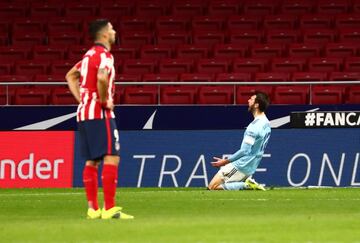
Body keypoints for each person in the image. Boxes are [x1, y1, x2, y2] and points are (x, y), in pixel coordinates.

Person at [66, 19, 133, 219]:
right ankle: (110, 208)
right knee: (112, 156)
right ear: (104, 34)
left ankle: (93, 209)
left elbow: (70, 76)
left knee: (92, 160)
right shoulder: (104, 55)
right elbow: (102, 77)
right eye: (111, 28)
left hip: (84, 113)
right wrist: (104, 102)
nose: (114, 31)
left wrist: (82, 99)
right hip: (100, 113)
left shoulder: (87, 57)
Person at [208, 91, 271, 191]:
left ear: (257, 105)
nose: (248, 100)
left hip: (241, 165)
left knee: (212, 187)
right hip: (251, 166)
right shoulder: (267, 123)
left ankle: (246, 185)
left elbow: (244, 151)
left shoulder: (254, 127)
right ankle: (245, 183)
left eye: (251, 99)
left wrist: (225, 161)